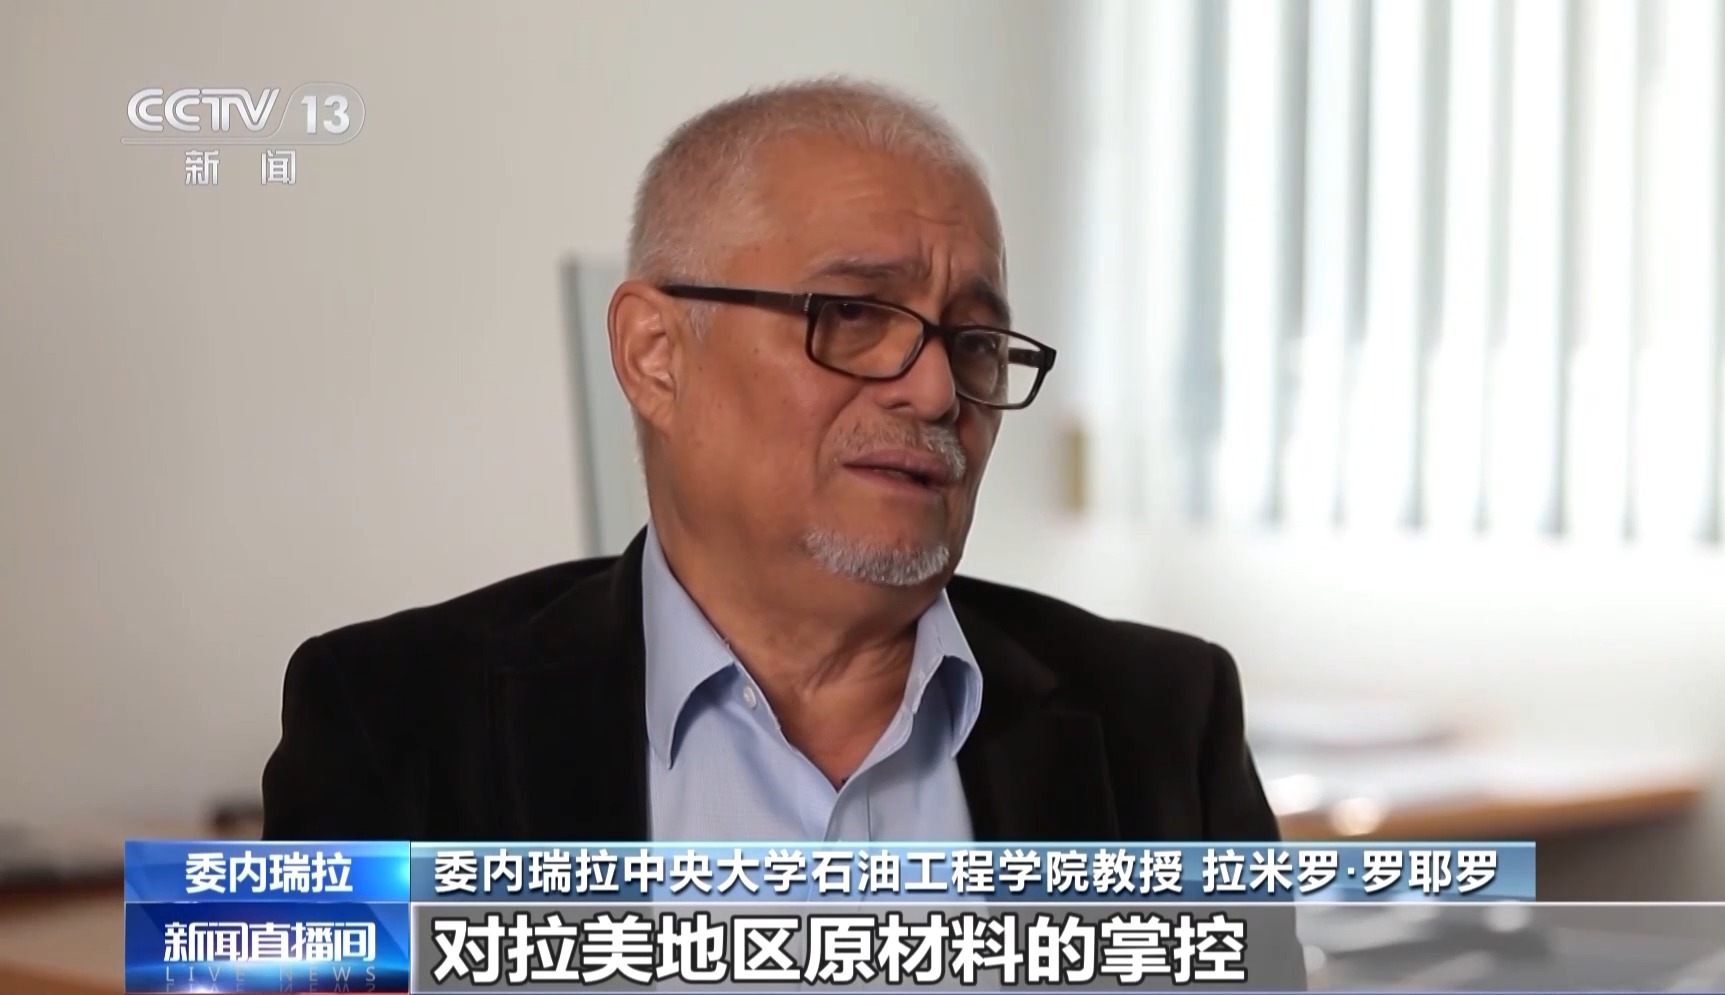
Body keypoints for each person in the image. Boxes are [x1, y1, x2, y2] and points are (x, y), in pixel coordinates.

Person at [262, 77, 1295, 905]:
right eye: (853, 314)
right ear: (655, 353)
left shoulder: (1164, 722)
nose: (937, 389)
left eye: (975, 339)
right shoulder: (392, 719)